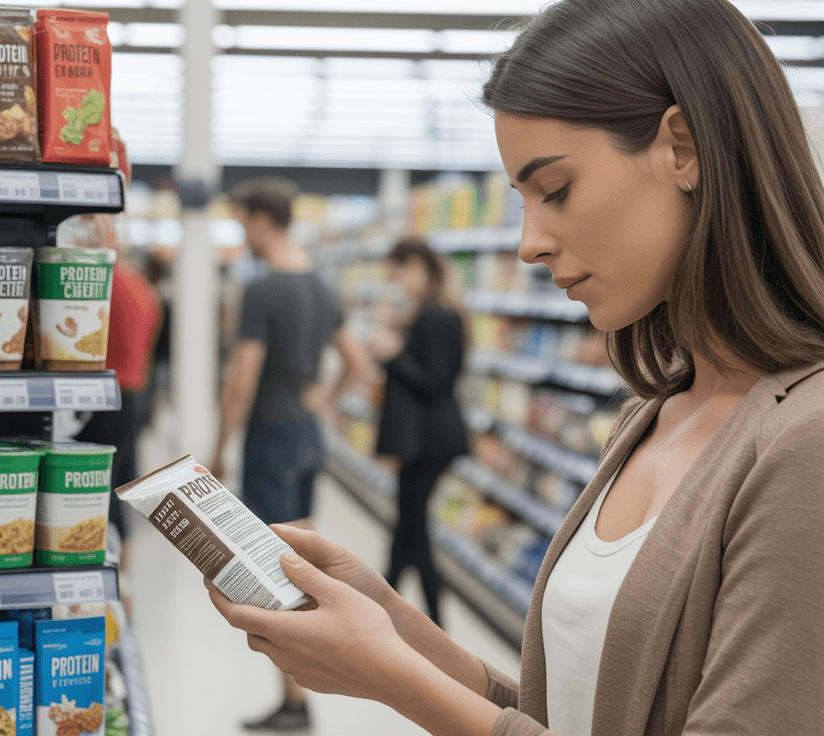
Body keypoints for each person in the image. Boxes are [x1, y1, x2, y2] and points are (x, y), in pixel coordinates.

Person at [206, 1, 824, 734]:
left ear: (682, 147)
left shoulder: (804, 446)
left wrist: (394, 680)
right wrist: (392, 624)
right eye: (522, 201)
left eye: (556, 190)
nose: (530, 244)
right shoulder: (648, 416)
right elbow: (564, 712)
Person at [209, 178, 370, 731]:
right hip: (306, 435)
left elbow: (241, 380)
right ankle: (303, 689)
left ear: (259, 220)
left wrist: (219, 445)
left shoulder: (263, 289)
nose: (241, 234)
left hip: (271, 437)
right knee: (299, 563)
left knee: (271, 573)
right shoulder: (322, 289)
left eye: (240, 222)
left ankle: (296, 700)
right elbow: (357, 362)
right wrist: (325, 398)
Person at [370, 237, 469, 627]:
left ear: (418, 266)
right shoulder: (430, 312)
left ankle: (429, 625)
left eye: (400, 273)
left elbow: (436, 383)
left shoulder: (438, 314)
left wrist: (393, 354)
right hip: (425, 441)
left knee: (412, 530)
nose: (398, 282)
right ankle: (391, 610)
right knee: (408, 528)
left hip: (431, 441)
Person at [74, 213, 162, 540]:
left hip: (106, 398)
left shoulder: (101, 283)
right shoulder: (140, 284)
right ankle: (123, 570)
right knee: (120, 485)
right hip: (132, 395)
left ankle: (108, 560)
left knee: (99, 489)